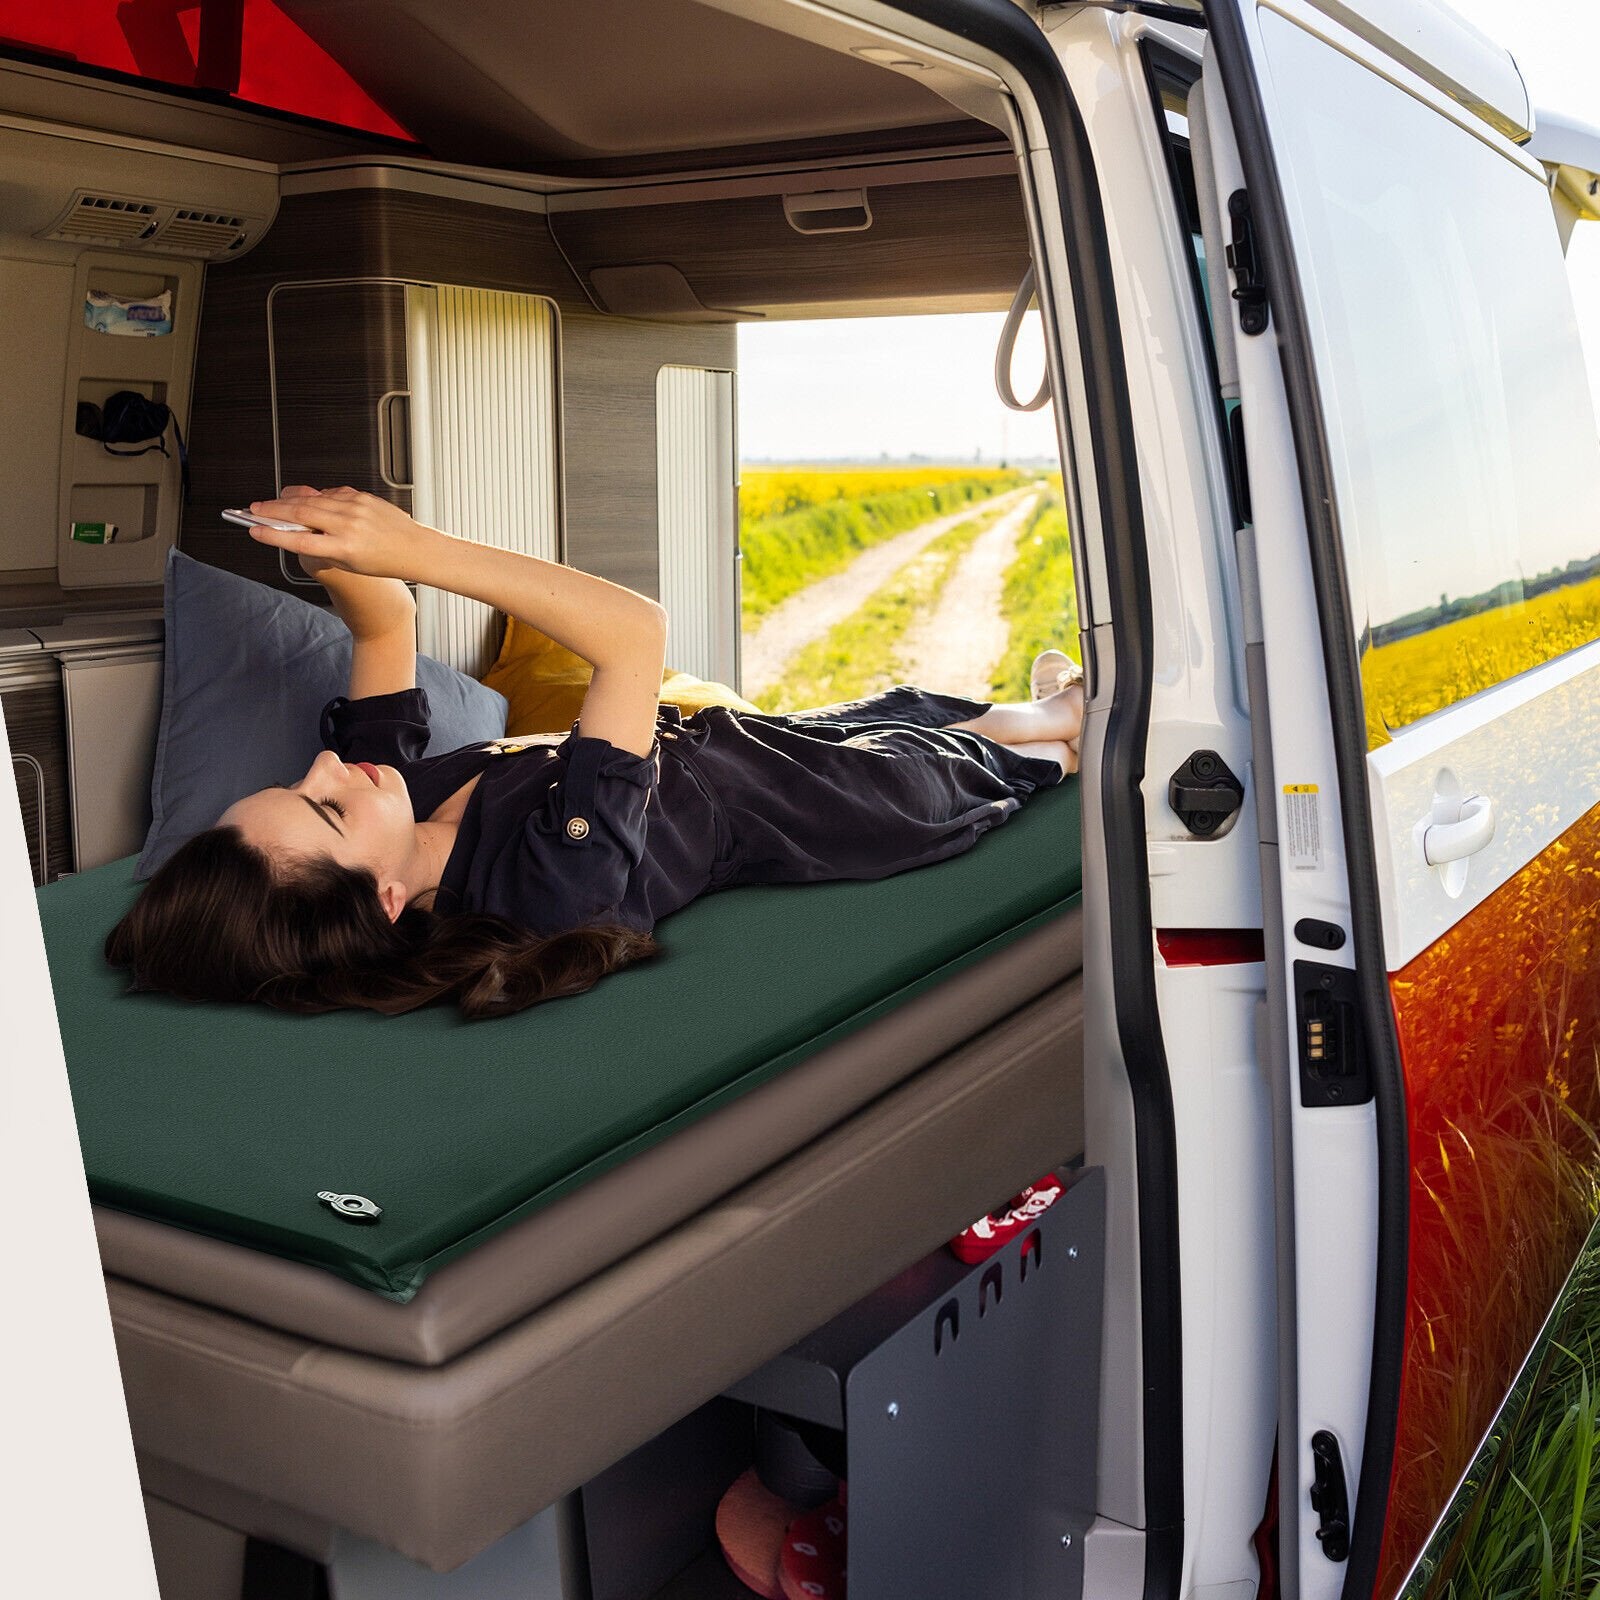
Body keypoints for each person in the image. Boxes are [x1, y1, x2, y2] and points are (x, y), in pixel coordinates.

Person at [107, 487, 1085, 1020]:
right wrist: (420, 545)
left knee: (911, 702)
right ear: (385, 903)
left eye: (298, 781)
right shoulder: (546, 886)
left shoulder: (389, 804)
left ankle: (1027, 712)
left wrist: (329, 551)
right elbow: (632, 635)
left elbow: (384, 630)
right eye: (325, 809)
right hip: (817, 805)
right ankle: (1059, 729)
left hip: (742, 742)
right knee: (982, 761)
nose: (327, 769)